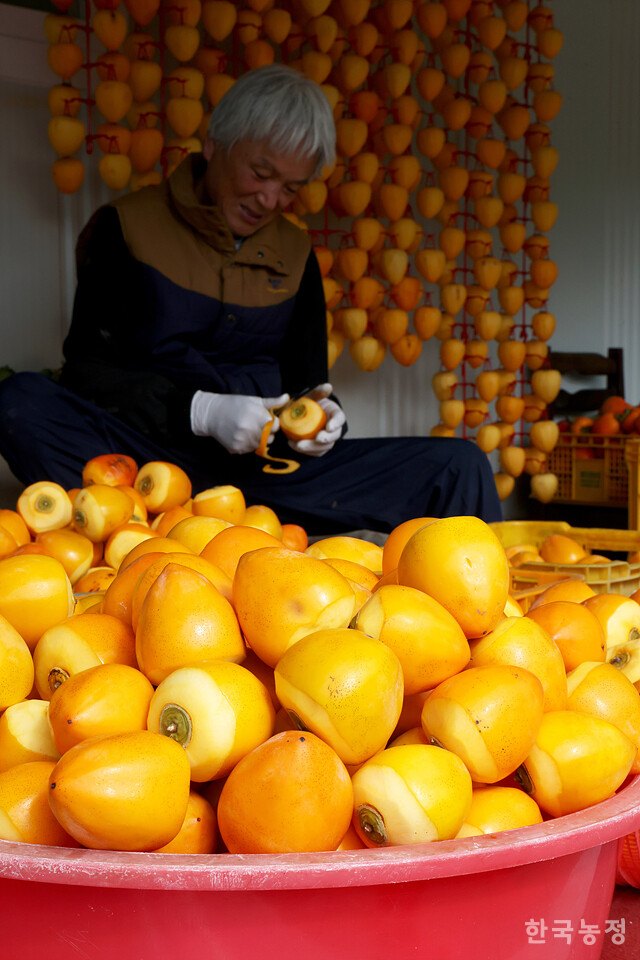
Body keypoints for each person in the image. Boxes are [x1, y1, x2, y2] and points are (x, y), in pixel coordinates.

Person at [0, 65, 501, 535]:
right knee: (20, 402)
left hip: (273, 478)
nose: (270, 200)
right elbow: (88, 372)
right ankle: (154, 529)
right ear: (216, 143)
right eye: (260, 174)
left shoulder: (295, 252)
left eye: (291, 187)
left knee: (461, 464)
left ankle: (494, 618)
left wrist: (324, 421)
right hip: (147, 470)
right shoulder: (127, 228)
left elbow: (307, 383)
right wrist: (199, 411)